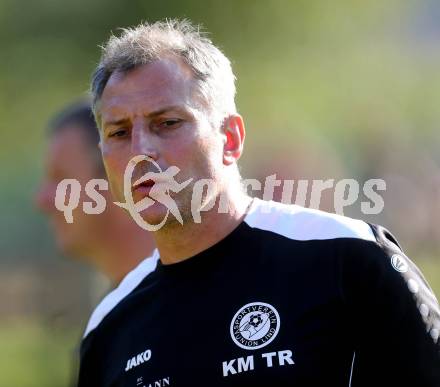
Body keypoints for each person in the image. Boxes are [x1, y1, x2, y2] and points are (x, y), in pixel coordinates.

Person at [77, 20, 440, 386]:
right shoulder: (109, 326)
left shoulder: (347, 259)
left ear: (230, 138)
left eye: (168, 123)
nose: (141, 150)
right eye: (119, 132)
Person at [35, 100, 156, 284]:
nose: (42, 200)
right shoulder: (121, 305)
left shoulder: (191, 301)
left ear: (117, 176)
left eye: (60, 177)